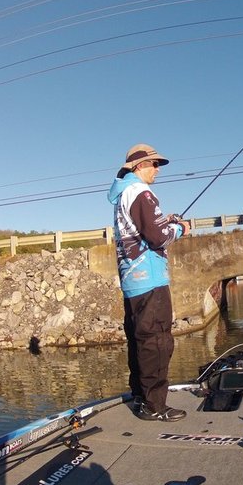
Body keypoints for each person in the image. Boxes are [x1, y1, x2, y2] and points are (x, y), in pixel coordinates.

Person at [107, 143, 191, 421]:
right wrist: (180, 229)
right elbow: (157, 237)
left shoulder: (123, 195)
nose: (157, 170)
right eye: (154, 164)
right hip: (150, 278)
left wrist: (165, 221)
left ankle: (141, 398)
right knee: (157, 341)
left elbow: (143, 229)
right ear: (139, 166)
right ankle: (155, 405)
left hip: (132, 280)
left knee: (140, 340)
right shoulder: (141, 193)